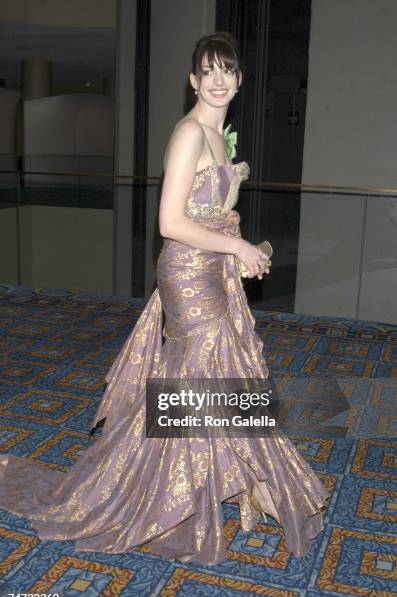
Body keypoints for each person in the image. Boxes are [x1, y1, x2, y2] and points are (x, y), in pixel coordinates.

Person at [0, 32, 328, 565]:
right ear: (193, 80)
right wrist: (239, 246)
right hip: (187, 276)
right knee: (207, 373)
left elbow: (210, 215)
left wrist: (239, 254)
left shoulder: (221, 137)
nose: (219, 79)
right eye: (208, 70)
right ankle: (173, 487)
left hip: (212, 271)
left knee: (213, 376)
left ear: (239, 79)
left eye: (229, 70)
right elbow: (171, 222)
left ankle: (217, 477)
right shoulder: (190, 134)